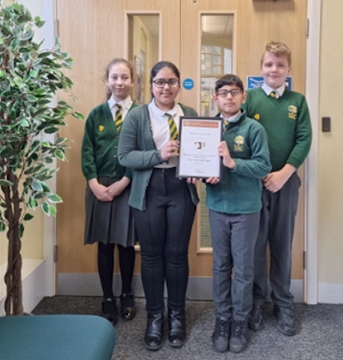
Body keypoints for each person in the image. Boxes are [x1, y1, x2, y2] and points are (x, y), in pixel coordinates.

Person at [118, 61, 199, 351]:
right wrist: (157, 154)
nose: (166, 87)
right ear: (151, 86)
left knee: (177, 256)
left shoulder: (189, 114)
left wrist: (198, 168)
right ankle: (155, 317)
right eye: (160, 82)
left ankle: (177, 316)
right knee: (152, 257)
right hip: (149, 191)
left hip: (180, 189)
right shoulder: (138, 115)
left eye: (172, 81)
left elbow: (200, 150)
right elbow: (124, 156)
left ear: (179, 84)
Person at [243, 42, 312, 336]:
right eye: (269, 64)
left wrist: (285, 173)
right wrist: (256, 172)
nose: (274, 69)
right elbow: (238, 134)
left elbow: (304, 139)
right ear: (261, 68)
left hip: (285, 184)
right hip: (253, 186)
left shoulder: (298, 101)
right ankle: (257, 300)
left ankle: (284, 303)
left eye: (280, 65)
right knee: (256, 244)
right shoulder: (250, 99)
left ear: (289, 69)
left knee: (282, 244)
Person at [205, 74, 271, 354]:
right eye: (223, 92)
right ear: (215, 98)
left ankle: (239, 322)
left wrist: (232, 163)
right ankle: (222, 319)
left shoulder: (254, 129)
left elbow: (263, 167)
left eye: (234, 92)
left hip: (245, 210)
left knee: (243, 269)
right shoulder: (207, 128)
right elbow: (199, 160)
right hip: (217, 207)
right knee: (220, 266)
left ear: (243, 97)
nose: (228, 97)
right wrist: (203, 174)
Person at [81, 58, 137, 325]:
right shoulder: (96, 114)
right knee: (105, 244)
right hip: (100, 186)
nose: (119, 82)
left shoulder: (140, 113)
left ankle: (127, 294)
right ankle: (107, 297)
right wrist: (93, 183)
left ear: (133, 81)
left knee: (126, 244)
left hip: (128, 185)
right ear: (107, 81)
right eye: (114, 77)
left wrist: (124, 181)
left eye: (125, 77)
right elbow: (87, 152)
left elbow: (142, 152)